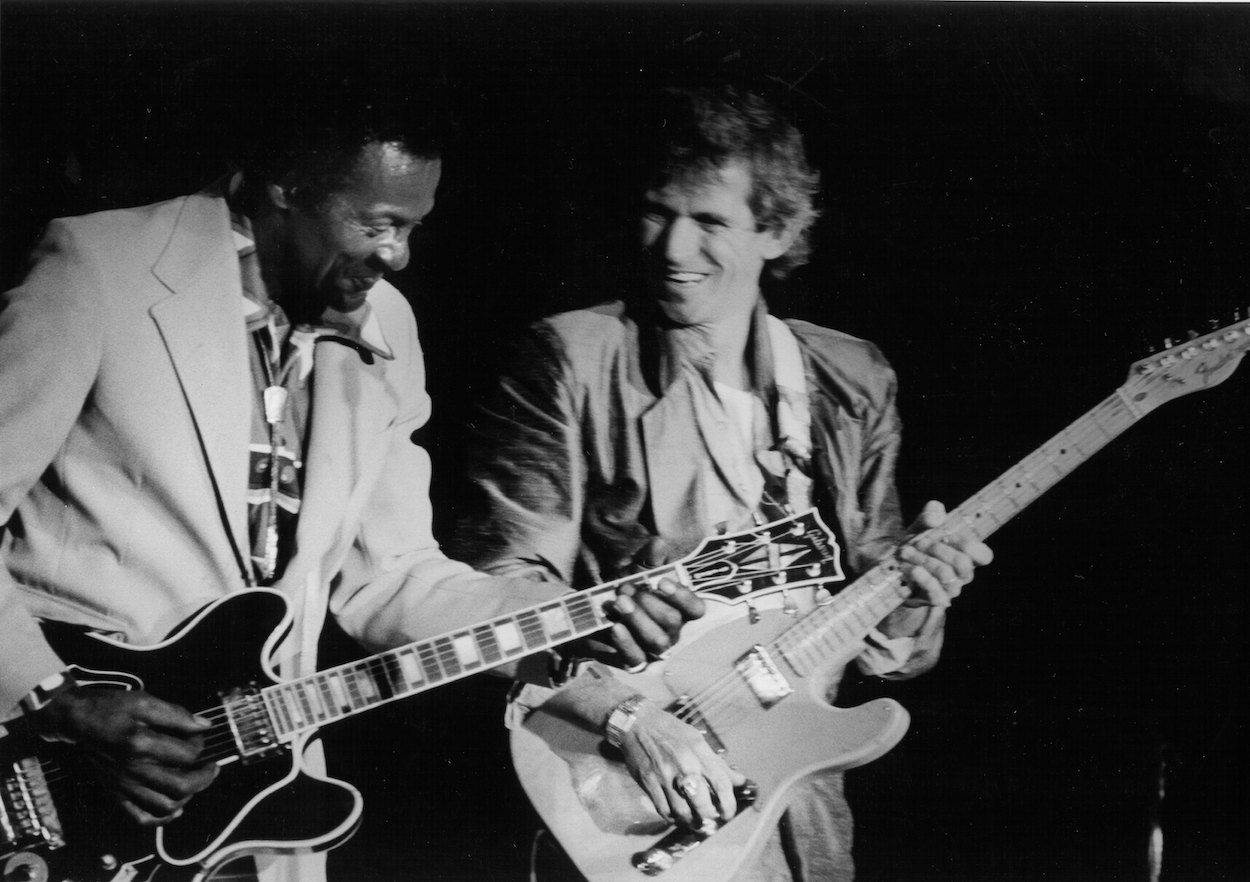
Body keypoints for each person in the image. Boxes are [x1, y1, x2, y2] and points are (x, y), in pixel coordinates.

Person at [0, 74, 700, 882]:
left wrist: (569, 622)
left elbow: (395, 580)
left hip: (258, 812)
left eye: (412, 227)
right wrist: (56, 699)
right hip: (60, 784)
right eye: (378, 222)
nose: (397, 254)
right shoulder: (98, 267)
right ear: (283, 187)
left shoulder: (388, 327)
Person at [459, 84, 994, 881]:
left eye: (708, 221)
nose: (673, 249)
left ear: (775, 230)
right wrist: (630, 716)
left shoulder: (850, 380)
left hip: (799, 813)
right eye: (656, 211)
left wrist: (917, 595)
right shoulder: (573, 358)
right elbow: (500, 589)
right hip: (628, 783)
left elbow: (880, 642)